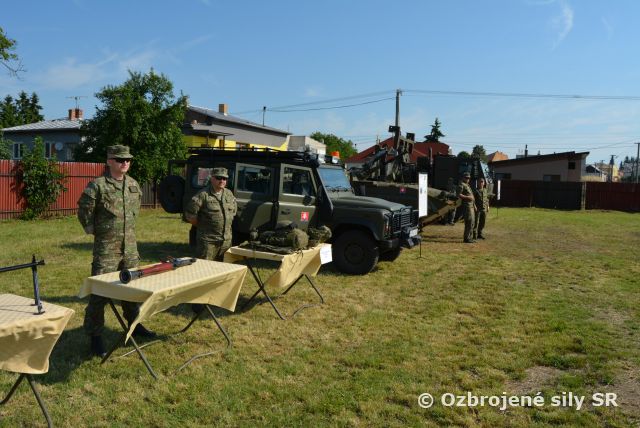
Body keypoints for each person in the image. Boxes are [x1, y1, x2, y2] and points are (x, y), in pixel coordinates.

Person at [78, 145, 155, 358]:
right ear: (109, 161)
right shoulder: (98, 185)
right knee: (100, 293)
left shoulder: (133, 184)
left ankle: (134, 324)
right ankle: (95, 337)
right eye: (120, 160)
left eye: (128, 159)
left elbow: (134, 212)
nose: (125, 163)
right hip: (107, 250)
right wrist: (91, 229)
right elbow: (84, 209)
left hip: (129, 248)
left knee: (132, 288)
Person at [183, 167, 238, 261]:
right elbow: (190, 215)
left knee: (224, 268)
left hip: (226, 242)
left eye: (224, 178)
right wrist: (202, 227)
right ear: (212, 179)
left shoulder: (229, 194)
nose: (222, 181)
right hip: (208, 242)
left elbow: (233, 211)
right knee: (205, 267)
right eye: (218, 178)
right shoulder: (203, 195)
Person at [457, 171, 476, 243]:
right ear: (463, 178)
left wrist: (474, 205)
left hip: (471, 206)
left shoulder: (467, 185)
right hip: (467, 206)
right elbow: (458, 194)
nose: (468, 179)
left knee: (472, 222)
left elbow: (472, 196)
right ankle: (466, 238)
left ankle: (470, 237)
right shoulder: (461, 184)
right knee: (469, 222)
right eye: (466, 178)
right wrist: (467, 197)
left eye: (469, 178)